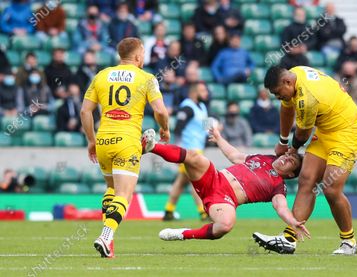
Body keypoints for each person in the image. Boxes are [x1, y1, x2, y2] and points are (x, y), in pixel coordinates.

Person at [253, 65, 357, 255]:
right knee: (306, 179)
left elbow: (303, 133)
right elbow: (287, 109)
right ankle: (289, 239)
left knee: (331, 189)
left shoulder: (308, 98)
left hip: (348, 132)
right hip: (326, 131)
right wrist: (282, 140)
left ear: (287, 82)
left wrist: (292, 150)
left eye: (278, 93)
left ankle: (349, 242)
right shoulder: (295, 74)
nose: (277, 97)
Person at [80, 37, 170, 258]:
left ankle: (109, 243)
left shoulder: (101, 76)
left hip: (103, 140)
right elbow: (160, 111)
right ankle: (105, 235)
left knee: (111, 189)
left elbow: (85, 111)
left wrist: (91, 140)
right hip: (127, 140)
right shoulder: (147, 78)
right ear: (138, 56)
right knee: (124, 194)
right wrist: (164, 129)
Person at [141, 127, 310, 242]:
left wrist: (292, 222)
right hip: (214, 178)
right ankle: (152, 146)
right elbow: (235, 156)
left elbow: (281, 207)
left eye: (291, 162)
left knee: (226, 224)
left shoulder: (278, 185)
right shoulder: (264, 158)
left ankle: (183, 234)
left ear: (290, 174)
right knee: (195, 157)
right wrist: (219, 138)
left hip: (224, 199)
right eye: (288, 155)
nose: (287, 158)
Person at [162, 82, 210, 221]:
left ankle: (168, 210)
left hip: (198, 150)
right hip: (189, 151)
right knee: (196, 180)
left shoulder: (202, 107)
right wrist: (178, 152)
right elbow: (178, 128)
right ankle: (203, 212)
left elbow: (205, 127)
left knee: (182, 181)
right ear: (194, 92)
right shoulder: (187, 107)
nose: (206, 93)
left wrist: (213, 131)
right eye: (203, 90)